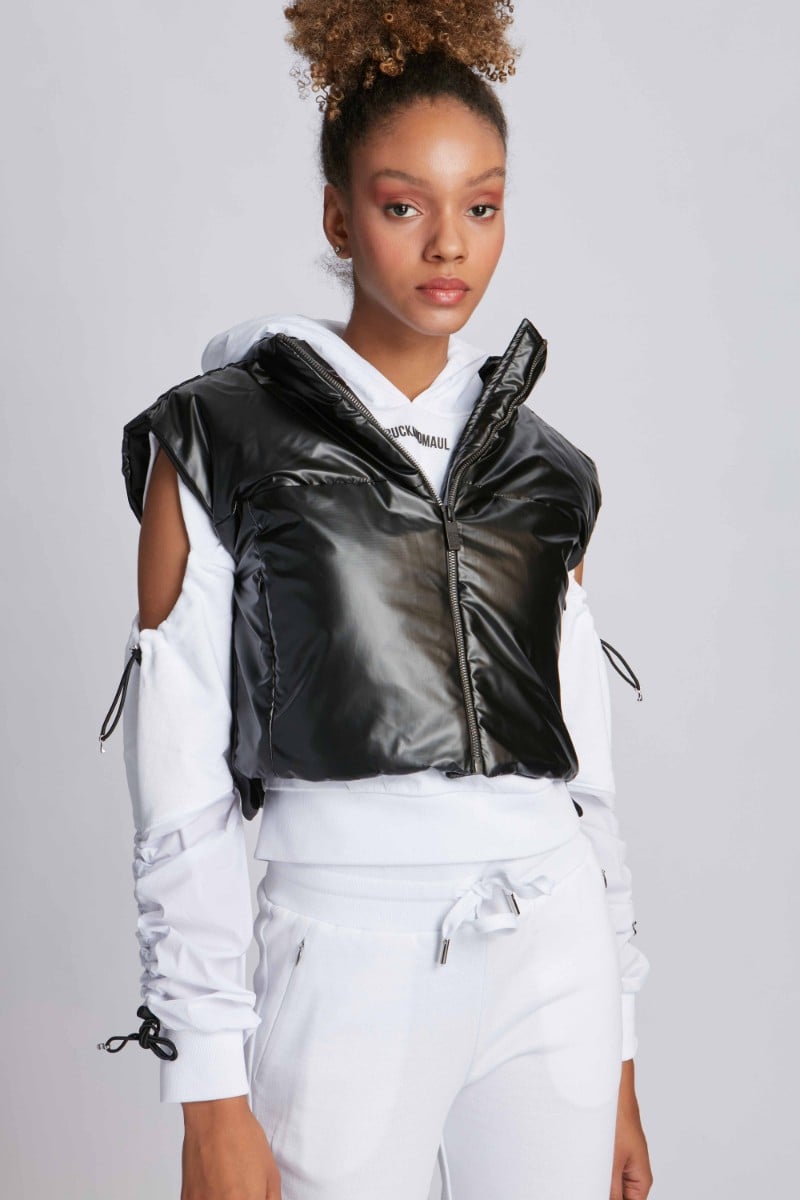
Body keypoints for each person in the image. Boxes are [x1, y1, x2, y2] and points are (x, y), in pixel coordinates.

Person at [97, 4, 653, 1198]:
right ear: (338, 216)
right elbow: (179, 792)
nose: (448, 244)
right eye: (404, 206)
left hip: (553, 963)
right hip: (341, 962)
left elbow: (588, 785)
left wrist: (617, 1053)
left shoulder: (548, 471)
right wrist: (206, 1088)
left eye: (481, 206)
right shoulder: (215, 438)